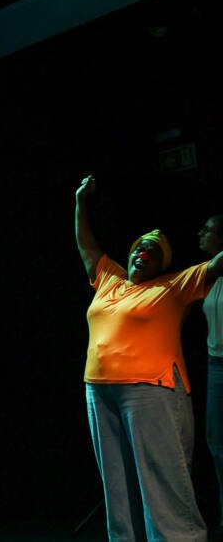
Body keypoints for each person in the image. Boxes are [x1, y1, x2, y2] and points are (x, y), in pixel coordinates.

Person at [75, 175, 223, 542]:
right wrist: (80, 202)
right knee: (117, 479)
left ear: (162, 264)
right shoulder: (111, 278)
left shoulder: (175, 285)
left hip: (150, 390)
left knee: (162, 476)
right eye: (139, 248)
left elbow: (218, 262)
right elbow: (87, 248)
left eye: (151, 253)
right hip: (99, 391)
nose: (142, 254)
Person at [200, 214, 223, 540]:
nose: (201, 233)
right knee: (217, 445)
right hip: (215, 366)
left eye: (209, 230)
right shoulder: (211, 278)